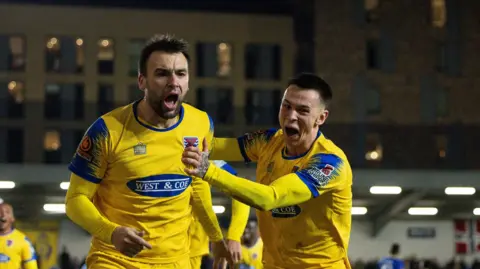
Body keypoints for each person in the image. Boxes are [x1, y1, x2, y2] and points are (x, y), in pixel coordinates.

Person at [65, 34, 232, 269]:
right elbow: (75, 199)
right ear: (142, 81)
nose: (173, 82)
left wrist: (217, 238)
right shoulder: (107, 130)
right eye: (162, 74)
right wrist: (111, 233)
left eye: (181, 73)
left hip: (175, 262)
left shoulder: (201, 123)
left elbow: (197, 186)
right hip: (115, 260)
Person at [182, 73, 353, 268]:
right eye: (286, 106)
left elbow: (270, 198)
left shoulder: (329, 163)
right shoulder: (268, 141)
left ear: (321, 118)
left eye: (302, 110)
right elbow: (213, 147)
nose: (291, 116)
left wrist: (209, 172)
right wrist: (172, 133)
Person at [189, 160, 249, 269]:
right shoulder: (152, 151)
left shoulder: (204, 158)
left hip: (192, 250)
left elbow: (242, 188)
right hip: (153, 247)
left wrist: (234, 236)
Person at [0, 203, 38, 269]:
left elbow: (31, 267)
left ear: (12, 218)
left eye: (7, 212)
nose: (3, 215)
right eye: (0, 212)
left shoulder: (23, 241)